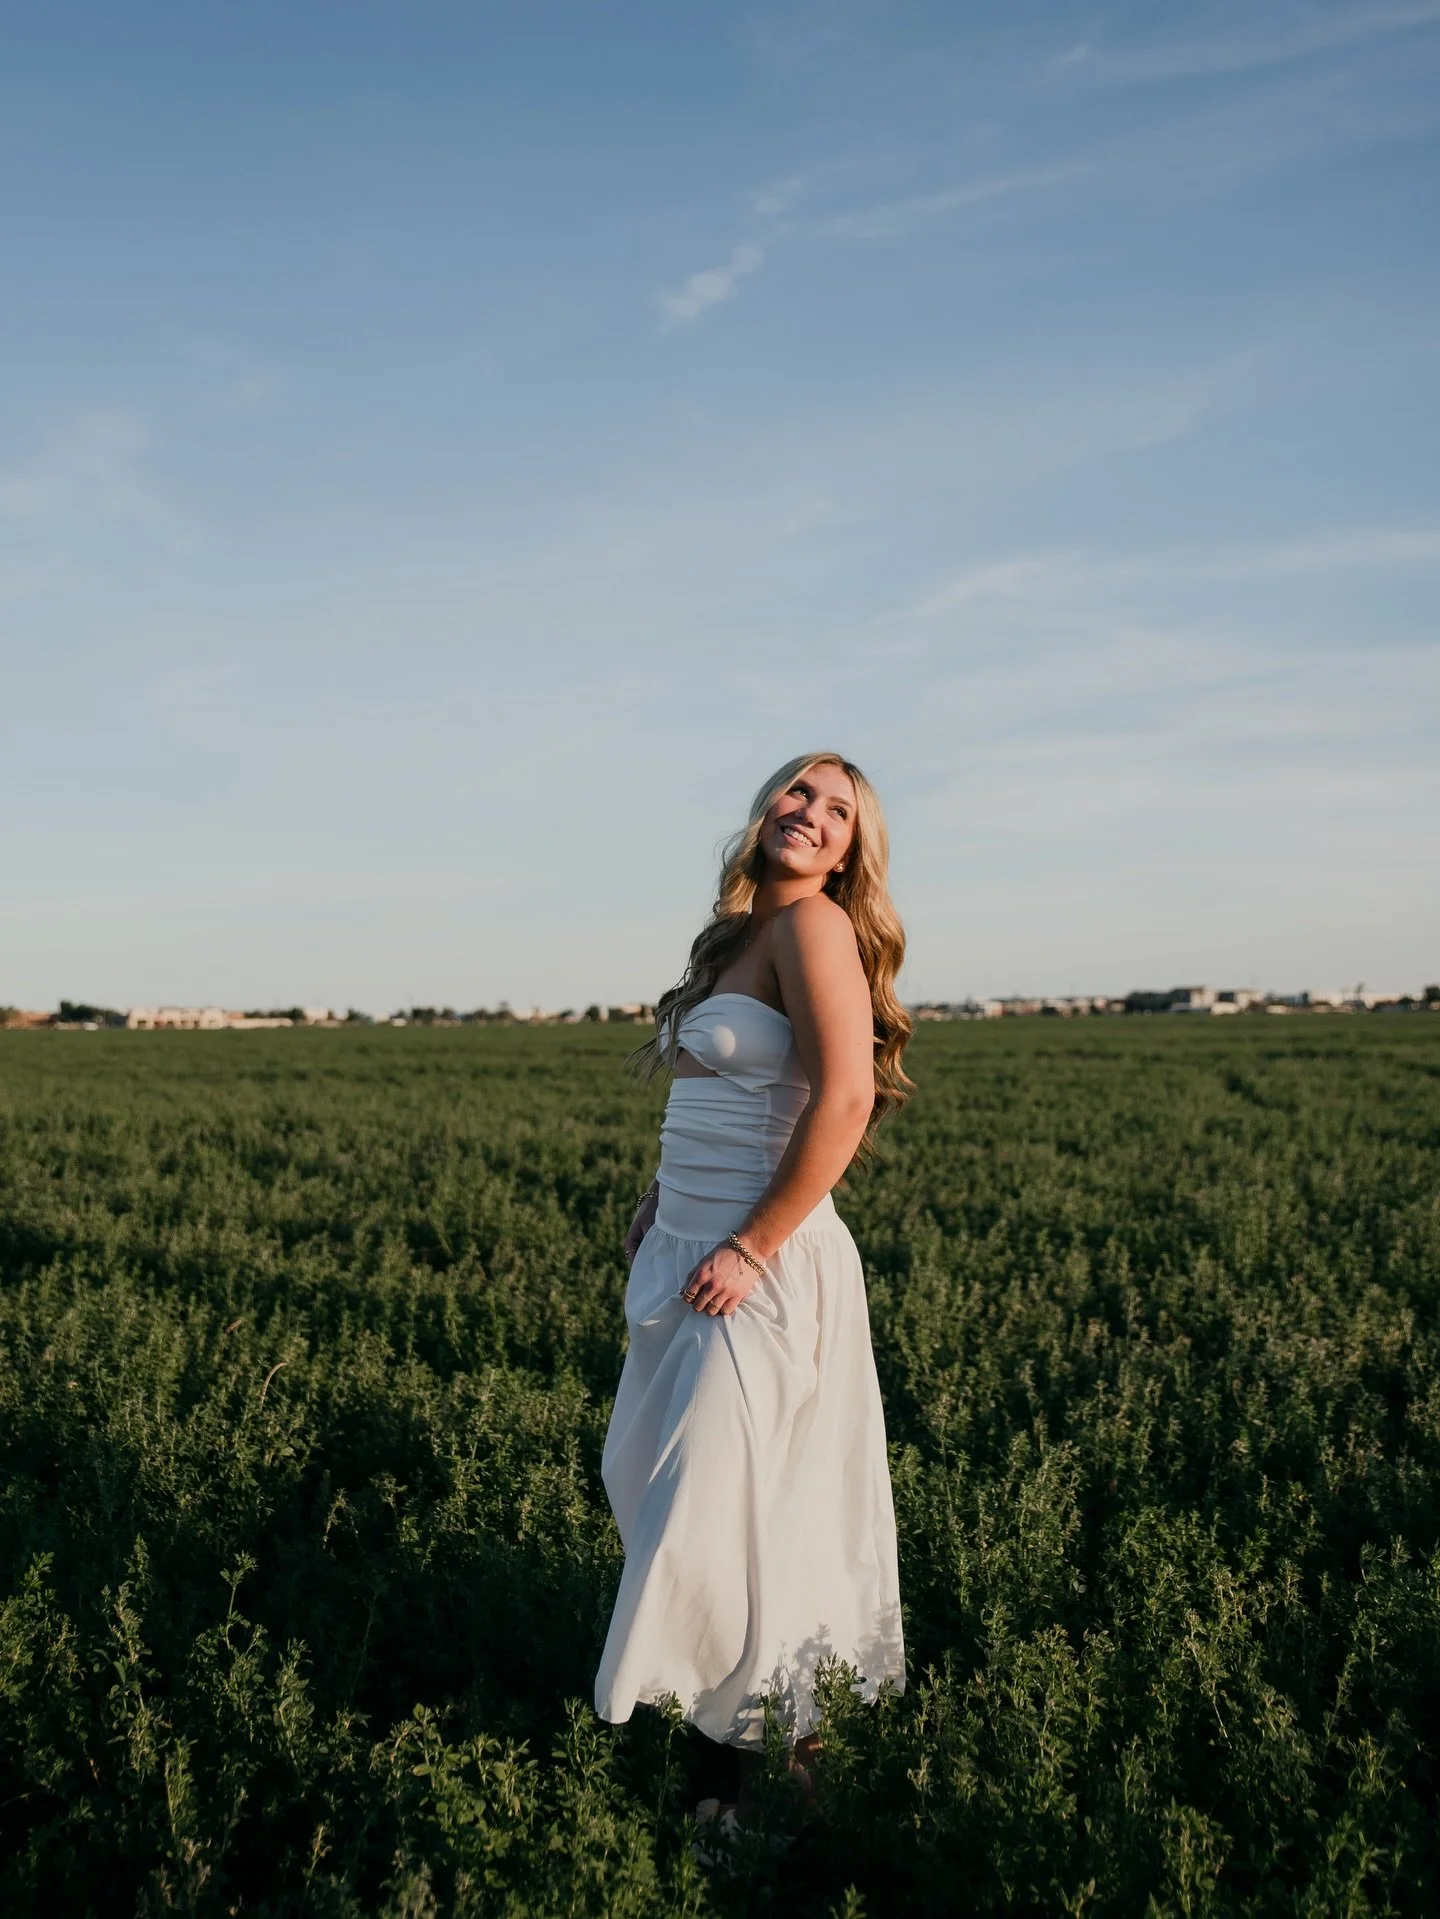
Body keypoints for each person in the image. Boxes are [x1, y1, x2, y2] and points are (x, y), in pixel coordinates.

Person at [593, 751, 913, 1806]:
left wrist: (754, 1242)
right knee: (684, 1503)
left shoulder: (814, 925)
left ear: (853, 848)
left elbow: (846, 1097)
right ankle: (748, 1774)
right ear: (763, 802)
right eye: (799, 791)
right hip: (688, 1248)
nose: (810, 815)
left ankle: (766, 1792)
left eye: (838, 810)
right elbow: (722, 1096)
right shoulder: (736, 934)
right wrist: (660, 1193)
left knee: (728, 1513)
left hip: (758, 1266)